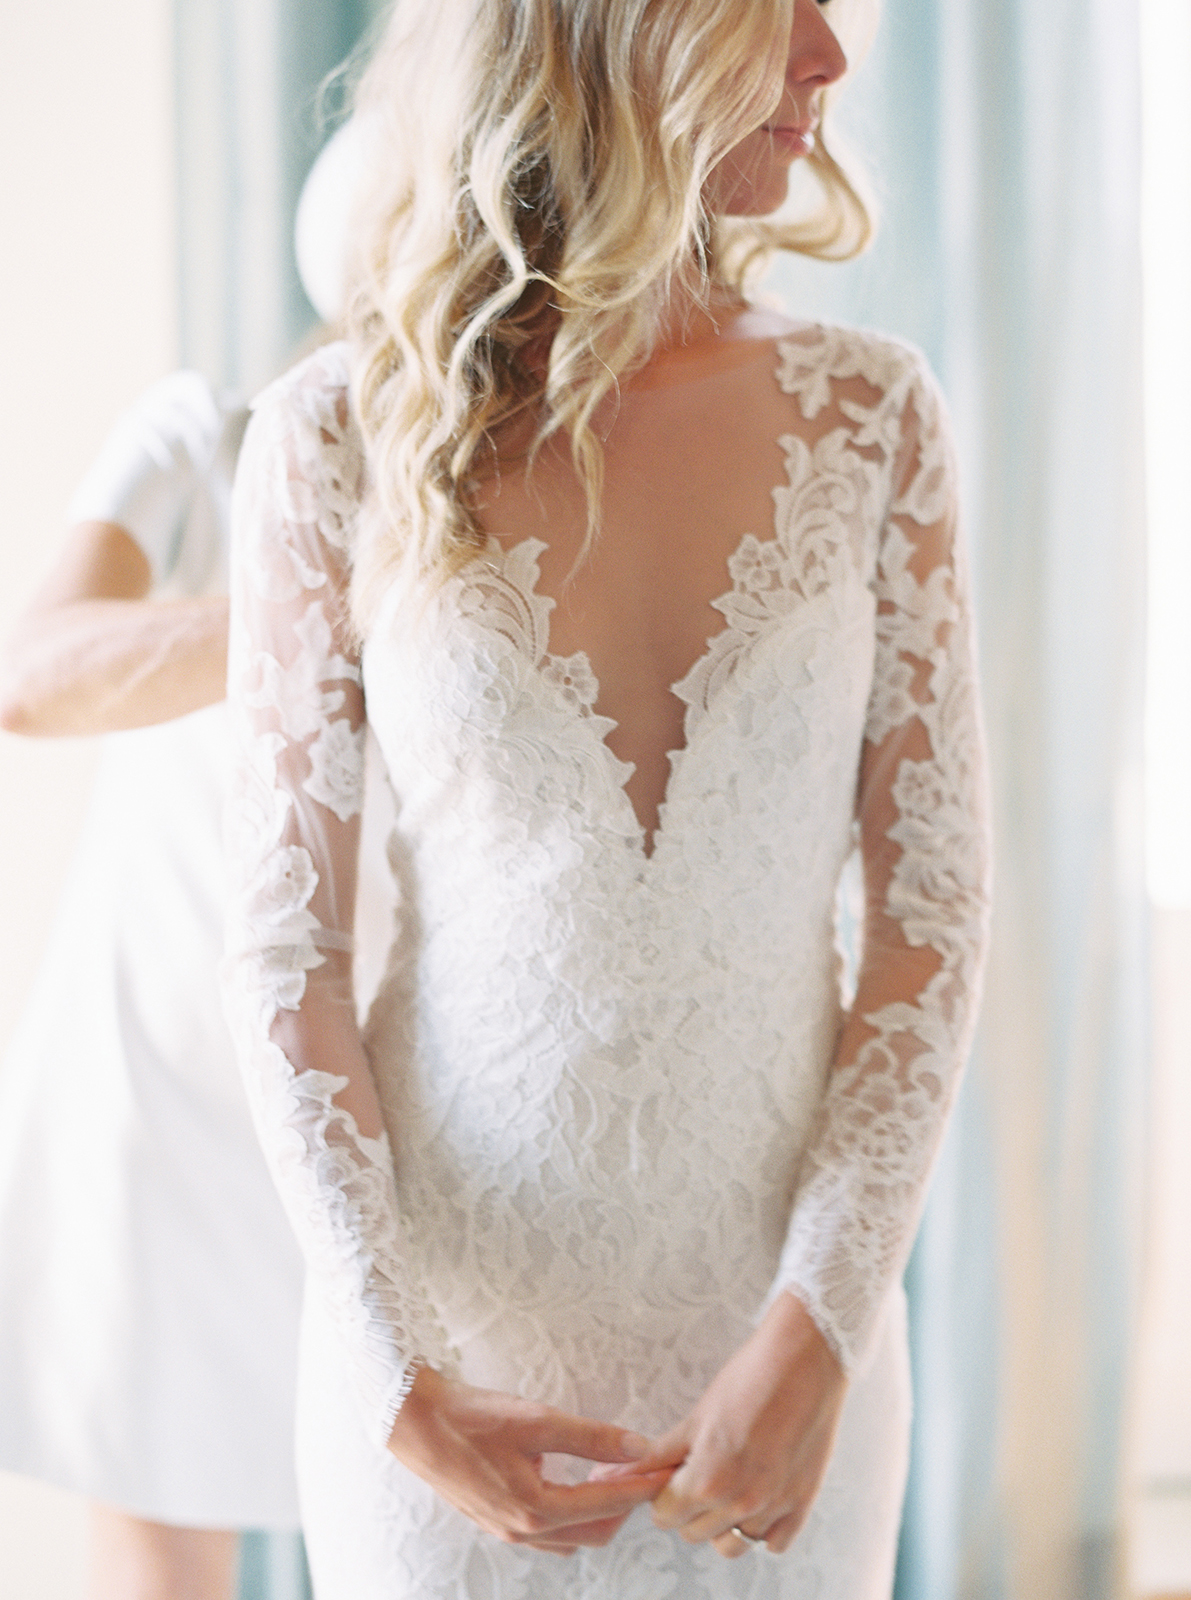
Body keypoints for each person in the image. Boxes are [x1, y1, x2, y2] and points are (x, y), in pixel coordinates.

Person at [222, 0, 992, 1596]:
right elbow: (284, 949)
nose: (829, 60)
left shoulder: (875, 419)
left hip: (781, 1376)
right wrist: (392, 1381)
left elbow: (928, 918)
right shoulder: (335, 436)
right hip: (447, 1381)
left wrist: (821, 1326)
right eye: (778, 9)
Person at [0, 371, 305, 1600]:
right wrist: (326, 605)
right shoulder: (205, 436)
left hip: (393, 1109)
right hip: (158, 1087)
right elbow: (36, 671)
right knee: (161, 1562)